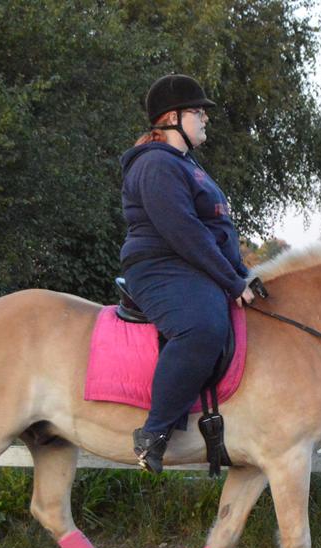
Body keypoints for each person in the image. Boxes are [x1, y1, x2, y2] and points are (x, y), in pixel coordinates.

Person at [119, 74, 256, 473]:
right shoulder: (156, 165)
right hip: (160, 266)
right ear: (174, 117)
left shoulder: (187, 165)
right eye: (198, 112)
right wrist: (231, 283)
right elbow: (185, 232)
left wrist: (243, 274)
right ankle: (154, 433)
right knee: (203, 328)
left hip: (188, 265)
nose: (205, 119)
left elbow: (217, 231)